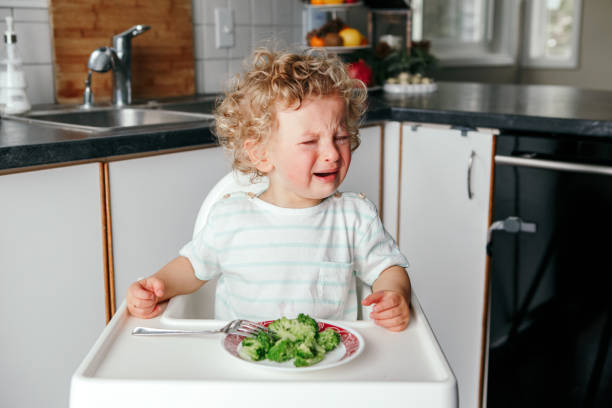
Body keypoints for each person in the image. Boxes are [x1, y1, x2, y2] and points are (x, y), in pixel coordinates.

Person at [126, 48, 412, 331]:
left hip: (328, 366)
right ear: (261, 155)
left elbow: (388, 269)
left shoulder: (355, 217)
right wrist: (157, 286)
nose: (332, 154)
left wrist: (395, 296)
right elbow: (191, 267)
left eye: (340, 137)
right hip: (244, 363)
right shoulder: (231, 217)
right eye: (310, 141)